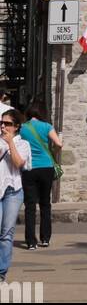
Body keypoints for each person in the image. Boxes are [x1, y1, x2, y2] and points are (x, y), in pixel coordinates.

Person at [20, 100, 61, 250]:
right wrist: (53, 153)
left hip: (29, 168)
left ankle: (31, 241)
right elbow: (58, 144)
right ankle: (45, 238)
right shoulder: (47, 126)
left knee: (30, 206)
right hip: (46, 167)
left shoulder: (23, 128)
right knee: (45, 204)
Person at [0, 108, 30, 282]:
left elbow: (19, 163)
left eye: (8, 124)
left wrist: (10, 143)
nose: (3, 126)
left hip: (13, 191)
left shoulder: (23, 144)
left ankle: (1, 272)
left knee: (6, 233)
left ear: (16, 126)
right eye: (1, 123)